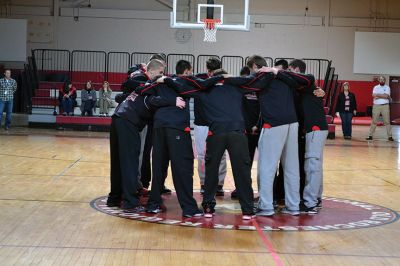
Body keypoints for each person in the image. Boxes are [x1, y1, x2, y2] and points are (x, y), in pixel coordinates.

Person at [136, 60, 223, 217]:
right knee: (182, 168)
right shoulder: (186, 81)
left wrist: (161, 81)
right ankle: (189, 209)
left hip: (159, 127)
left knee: (159, 168)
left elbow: (142, 92)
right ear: (188, 71)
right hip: (176, 128)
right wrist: (224, 77)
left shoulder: (160, 81)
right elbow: (204, 85)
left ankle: (153, 204)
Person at [107, 59, 186, 212]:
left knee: (117, 162)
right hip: (128, 121)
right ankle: (130, 202)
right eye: (161, 73)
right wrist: (173, 100)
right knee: (130, 162)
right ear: (151, 72)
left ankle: (114, 198)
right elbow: (153, 101)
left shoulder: (144, 85)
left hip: (118, 118)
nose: (163, 76)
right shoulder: (149, 84)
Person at [200, 68, 274, 220]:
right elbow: (257, 80)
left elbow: (191, 84)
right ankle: (247, 210)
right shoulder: (237, 86)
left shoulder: (205, 88)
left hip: (216, 133)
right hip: (237, 133)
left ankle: (208, 206)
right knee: (242, 172)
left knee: (212, 171)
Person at [281, 59, 329, 214]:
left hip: (315, 128)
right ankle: (316, 198)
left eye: (290, 69)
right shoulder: (305, 87)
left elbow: (301, 80)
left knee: (312, 165)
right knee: (315, 164)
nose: (288, 72)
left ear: (296, 69)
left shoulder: (308, 81)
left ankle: (310, 202)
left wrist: (278, 72)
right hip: (314, 128)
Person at [195, 57, 227, 196]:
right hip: (202, 123)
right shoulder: (199, 79)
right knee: (202, 155)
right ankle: (204, 183)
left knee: (221, 155)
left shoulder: (225, 80)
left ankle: (219, 184)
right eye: (211, 73)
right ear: (207, 71)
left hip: (218, 123)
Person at [366, 76, 394, 141]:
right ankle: (370, 135)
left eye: (383, 79)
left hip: (385, 106)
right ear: (379, 80)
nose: (381, 80)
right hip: (376, 106)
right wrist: (383, 96)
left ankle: (390, 136)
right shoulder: (376, 87)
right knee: (374, 121)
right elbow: (373, 95)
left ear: (385, 80)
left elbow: (386, 96)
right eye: (380, 79)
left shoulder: (387, 87)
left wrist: (377, 95)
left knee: (387, 121)